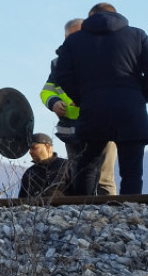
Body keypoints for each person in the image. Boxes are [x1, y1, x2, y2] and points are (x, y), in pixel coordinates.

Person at [51, 3, 148, 195]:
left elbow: (61, 74)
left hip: (92, 108)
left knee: (88, 165)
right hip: (131, 108)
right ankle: (130, 207)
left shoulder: (75, 40)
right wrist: (142, 95)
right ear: (115, 14)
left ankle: (84, 207)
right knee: (131, 171)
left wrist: (82, 97)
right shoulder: (137, 35)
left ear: (90, 17)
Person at [40, 18, 117, 195]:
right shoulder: (58, 63)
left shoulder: (104, 56)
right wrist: (53, 102)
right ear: (66, 38)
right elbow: (47, 90)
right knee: (79, 175)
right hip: (72, 130)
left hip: (103, 125)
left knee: (104, 177)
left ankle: (109, 208)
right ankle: (85, 208)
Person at [18, 133, 69, 202]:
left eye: (34, 147)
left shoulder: (65, 165)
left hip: (67, 208)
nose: (30, 152)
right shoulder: (29, 172)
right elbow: (21, 201)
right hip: (35, 209)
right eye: (29, 149)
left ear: (47, 147)